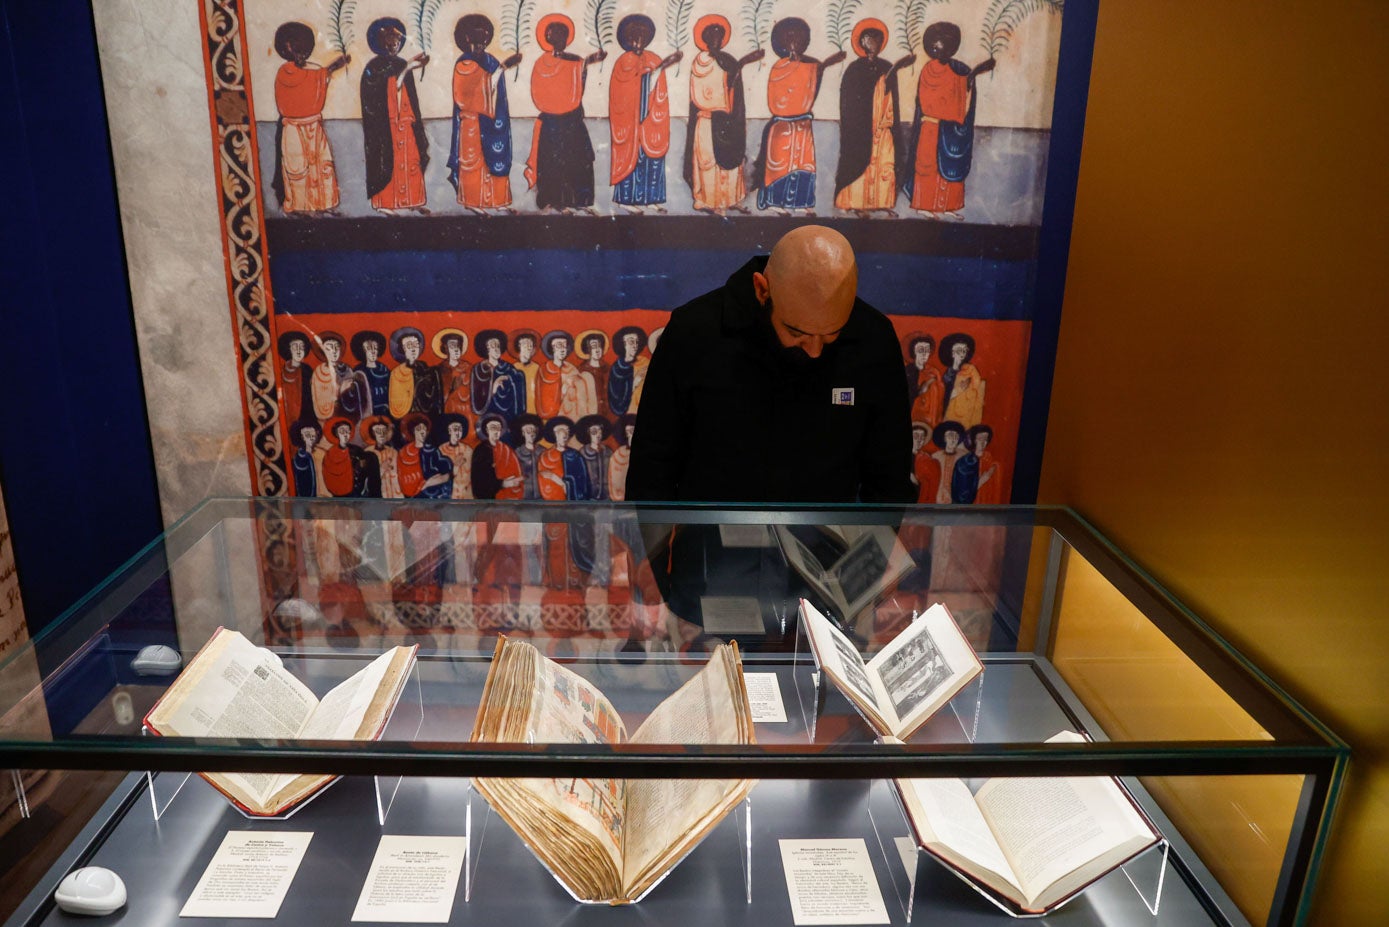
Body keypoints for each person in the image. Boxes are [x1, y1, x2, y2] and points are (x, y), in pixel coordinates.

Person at [627, 226, 913, 502]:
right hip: (708, 539)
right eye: (797, 333)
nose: (814, 351)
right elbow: (653, 464)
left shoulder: (873, 338)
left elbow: (890, 473)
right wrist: (657, 550)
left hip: (831, 544)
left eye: (831, 335)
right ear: (762, 290)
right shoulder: (695, 332)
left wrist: (874, 549)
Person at [751, 19, 845, 213]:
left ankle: (801, 202)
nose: (794, 42)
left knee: (804, 164)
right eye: (790, 38)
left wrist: (826, 64)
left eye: (799, 38)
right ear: (783, 42)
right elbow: (777, 100)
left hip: (802, 124)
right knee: (780, 166)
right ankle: (776, 202)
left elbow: (815, 76)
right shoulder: (779, 67)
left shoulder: (809, 65)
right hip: (783, 125)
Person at [903, 22, 995, 217]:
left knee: (949, 169)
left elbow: (964, 94)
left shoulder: (960, 69)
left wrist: (973, 75)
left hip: (951, 130)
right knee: (929, 167)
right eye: (934, 46)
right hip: (931, 127)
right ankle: (925, 205)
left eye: (942, 45)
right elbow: (929, 104)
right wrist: (972, 76)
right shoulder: (929, 69)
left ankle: (947, 207)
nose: (938, 49)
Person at [525, 14, 606, 213]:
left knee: (581, 158)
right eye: (554, 35)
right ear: (548, 37)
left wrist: (589, 62)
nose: (559, 39)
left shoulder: (576, 61)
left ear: (567, 38)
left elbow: (579, 83)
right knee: (554, 162)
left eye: (563, 35)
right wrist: (556, 104)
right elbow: (538, 92)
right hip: (552, 122)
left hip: (572, 119)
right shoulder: (541, 63)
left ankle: (580, 200)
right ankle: (556, 201)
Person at [683, 15, 762, 214]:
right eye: (712, 35)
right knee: (709, 162)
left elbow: (734, 88)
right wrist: (742, 63)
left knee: (730, 163)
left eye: (719, 36)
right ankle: (710, 201)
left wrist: (739, 66)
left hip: (727, 122)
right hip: (708, 120)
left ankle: (730, 199)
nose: (716, 40)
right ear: (705, 38)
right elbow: (701, 93)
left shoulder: (728, 60)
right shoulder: (701, 61)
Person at [834, 20, 912, 215]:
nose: (874, 43)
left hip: (884, 126)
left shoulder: (886, 66)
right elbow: (850, 102)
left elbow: (891, 96)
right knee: (862, 164)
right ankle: (858, 203)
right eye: (869, 39)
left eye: (878, 40)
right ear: (862, 42)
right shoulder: (854, 69)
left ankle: (881, 201)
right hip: (862, 129)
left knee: (884, 165)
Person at [271, 22, 349, 215]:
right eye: (294, 46)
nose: (300, 51)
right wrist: (331, 68)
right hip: (294, 128)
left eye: (303, 46)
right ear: (286, 47)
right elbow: (306, 81)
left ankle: (323, 204)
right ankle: (300, 207)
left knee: (322, 166)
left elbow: (319, 77)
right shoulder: (285, 71)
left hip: (314, 125)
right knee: (298, 169)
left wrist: (331, 69)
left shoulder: (313, 70)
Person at [447, 15, 522, 213]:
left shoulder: (491, 61)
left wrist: (500, 68)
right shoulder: (464, 64)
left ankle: (497, 203)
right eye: (476, 41)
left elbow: (498, 94)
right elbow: (474, 92)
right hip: (472, 124)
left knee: (494, 162)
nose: (480, 46)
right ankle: (473, 203)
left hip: (494, 122)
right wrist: (504, 67)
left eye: (483, 42)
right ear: (467, 40)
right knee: (475, 163)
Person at [608, 15, 680, 212]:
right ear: (627, 39)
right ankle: (626, 200)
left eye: (642, 37)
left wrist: (660, 68)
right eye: (634, 37)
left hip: (651, 121)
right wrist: (663, 66)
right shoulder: (623, 61)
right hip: (630, 123)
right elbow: (623, 93)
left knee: (653, 160)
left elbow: (659, 91)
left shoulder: (653, 58)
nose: (638, 41)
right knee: (633, 159)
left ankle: (651, 198)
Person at [360, 17, 430, 215]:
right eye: (389, 44)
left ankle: (412, 200)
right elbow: (386, 92)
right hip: (386, 125)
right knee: (388, 161)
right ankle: (385, 203)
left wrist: (407, 67)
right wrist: (408, 67)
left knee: (411, 160)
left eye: (396, 44)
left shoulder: (401, 63)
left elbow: (407, 94)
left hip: (405, 122)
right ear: (381, 45)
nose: (393, 48)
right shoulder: (373, 68)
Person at [388, 326, 443, 417]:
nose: (413, 349)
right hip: (405, 417)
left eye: (416, 345)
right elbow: (395, 403)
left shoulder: (427, 371)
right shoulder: (396, 373)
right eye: (409, 346)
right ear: (403, 349)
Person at [397, 413, 453, 499]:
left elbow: (446, 474)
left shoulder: (432, 450)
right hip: (412, 497)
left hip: (432, 494)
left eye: (424, 429)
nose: (422, 432)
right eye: (419, 429)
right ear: (413, 431)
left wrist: (428, 483)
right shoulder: (403, 452)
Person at [471, 413, 525, 499]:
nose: (496, 431)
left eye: (498, 428)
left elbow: (516, 473)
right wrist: (503, 484)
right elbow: (479, 482)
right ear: (487, 430)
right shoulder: (481, 451)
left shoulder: (506, 450)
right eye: (493, 428)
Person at [939, 332, 985, 427]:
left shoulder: (970, 370)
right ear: (952, 352)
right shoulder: (947, 374)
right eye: (959, 350)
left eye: (964, 350)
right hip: (948, 413)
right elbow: (943, 396)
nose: (962, 353)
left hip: (965, 414)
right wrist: (957, 390)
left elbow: (977, 389)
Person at [607, 326, 648, 415]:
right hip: (629, 415)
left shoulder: (645, 362)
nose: (635, 345)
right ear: (622, 344)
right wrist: (634, 383)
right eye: (631, 341)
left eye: (637, 341)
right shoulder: (617, 368)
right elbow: (617, 403)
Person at [903, 333, 942, 427]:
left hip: (931, 415)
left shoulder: (933, 372)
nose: (924, 353)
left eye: (927, 350)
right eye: (921, 350)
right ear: (914, 352)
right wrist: (921, 390)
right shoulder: (908, 372)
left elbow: (940, 395)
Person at [350, 330, 392, 415]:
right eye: (369, 349)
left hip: (386, 411)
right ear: (363, 351)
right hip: (367, 412)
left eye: (375, 348)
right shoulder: (359, 371)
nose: (373, 352)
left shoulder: (384, 369)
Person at [433, 328, 473, 415]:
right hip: (447, 410)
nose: (456, 349)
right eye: (452, 346)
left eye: (458, 346)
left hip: (465, 410)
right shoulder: (439, 370)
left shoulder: (469, 368)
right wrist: (452, 388)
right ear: (445, 348)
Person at [437, 413, 475, 499]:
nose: (458, 433)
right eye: (455, 429)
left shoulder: (468, 450)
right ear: (449, 431)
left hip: (466, 494)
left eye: (460, 430)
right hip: (449, 494)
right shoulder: (441, 449)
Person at [929, 420, 967, 503]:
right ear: (944, 438)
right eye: (950, 436)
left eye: (956, 436)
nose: (953, 439)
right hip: (937, 495)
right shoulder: (936, 456)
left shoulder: (963, 456)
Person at [576, 330, 609, 417]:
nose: (597, 350)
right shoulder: (582, 370)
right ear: (588, 349)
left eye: (599, 346)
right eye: (594, 347)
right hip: (590, 412)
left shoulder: (607, 368)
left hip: (607, 411)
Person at [510, 329, 542, 413]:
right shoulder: (513, 368)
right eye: (525, 344)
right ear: (519, 346)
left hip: (534, 410)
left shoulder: (537, 368)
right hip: (517, 411)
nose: (528, 348)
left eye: (530, 345)